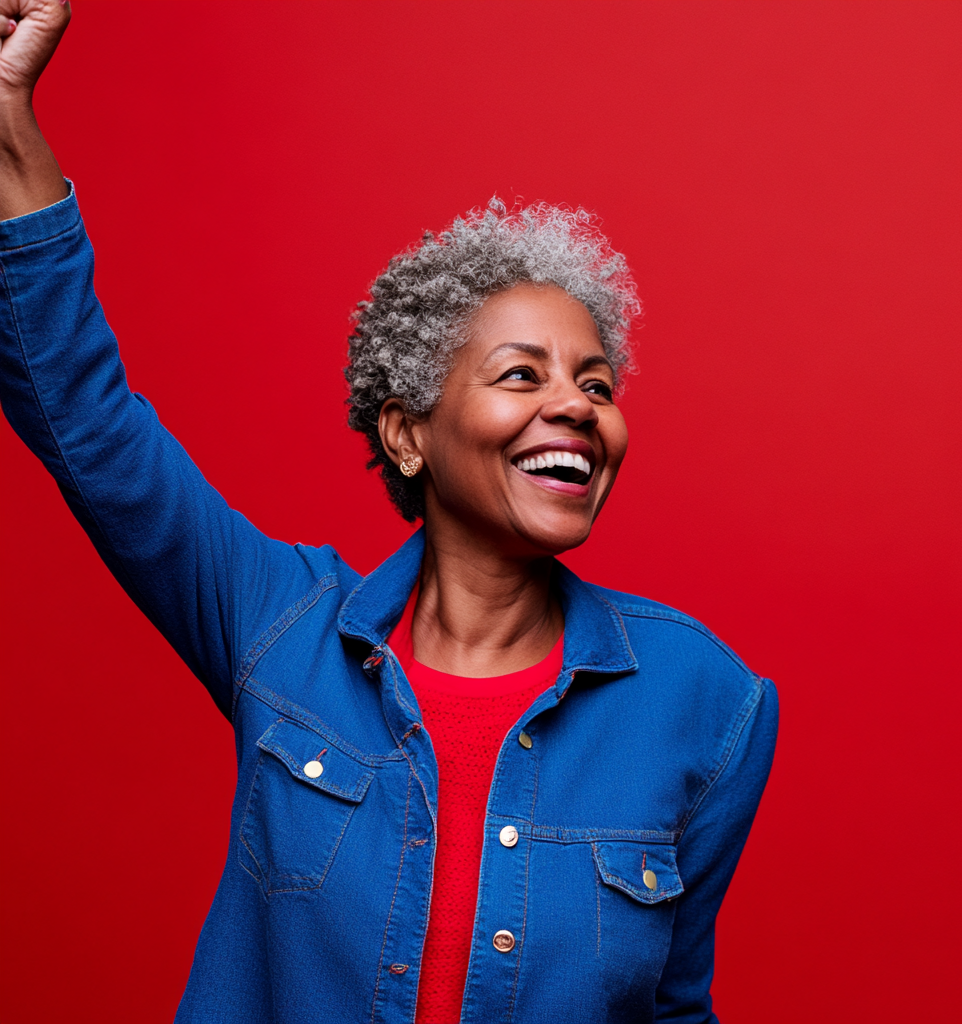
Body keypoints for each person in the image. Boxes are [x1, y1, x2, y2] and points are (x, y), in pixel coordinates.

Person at [0, 3, 778, 1023]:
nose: (575, 408)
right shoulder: (282, 628)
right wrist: (9, 115)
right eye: (520, 373)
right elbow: (91, 428)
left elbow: (674, 1007)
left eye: (595, 383)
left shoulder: (709, 701)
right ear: (407, 432)